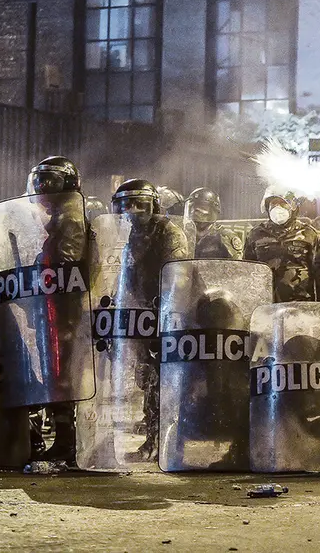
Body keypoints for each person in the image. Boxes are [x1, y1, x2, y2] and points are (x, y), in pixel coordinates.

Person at [108, 178, 188, 460]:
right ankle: (153, 440)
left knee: (164, 379)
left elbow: (178, 278)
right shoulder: (126, 237)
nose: (131, 211)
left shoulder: (168, 232)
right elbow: (122, 276)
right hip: (138, 316)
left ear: (153, 205)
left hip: (166, 316)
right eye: (125, 206)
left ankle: (168, 441)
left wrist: (164, 312)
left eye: (138, 204)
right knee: (147, 377)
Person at [23, 156, 88, 463]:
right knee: (57, 374)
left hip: (65, 311)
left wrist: (38, 266)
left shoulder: (70, 217)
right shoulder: (60, 215)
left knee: (62, 375)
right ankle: (64, 441)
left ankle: (67, 444)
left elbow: (66, 265)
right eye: (40, 181)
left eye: (50, 181)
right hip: (56, 309)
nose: (42, 187)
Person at [244, 188, 320, 303]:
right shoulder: (255, 235)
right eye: (273, 203)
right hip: (265, 306)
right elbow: (246, 272)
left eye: (283, 203)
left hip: (300, 306)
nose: (278, 208)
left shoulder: (309, 234)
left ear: (294, 206)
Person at [184, 187, 242, 259]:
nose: (195, 211)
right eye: (192, 207)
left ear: (213, 209)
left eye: (201, 206)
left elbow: (237, 265)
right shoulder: (183, 234)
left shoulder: (225, 236)